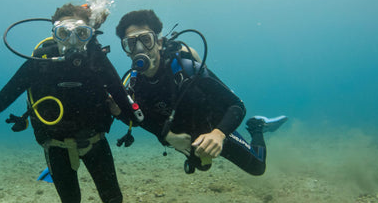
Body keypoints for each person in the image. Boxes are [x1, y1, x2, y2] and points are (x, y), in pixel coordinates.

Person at [0, 0, 138, 203]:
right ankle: (55, 168)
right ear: (54, 35)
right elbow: (1, 100)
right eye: (64, 33)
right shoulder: (40, 63)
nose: (72, 42)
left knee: (114, 201)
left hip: (95, 140)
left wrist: (150, 126)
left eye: (81, 34)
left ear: (89, 35)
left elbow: (124, 102)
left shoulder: (97, 61)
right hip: (56, 144)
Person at [115, 9, 287, 175]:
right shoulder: (135, 85)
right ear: (126, 51)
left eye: (146, 39)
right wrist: (167, 135)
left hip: (213, 126)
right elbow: (140, 119)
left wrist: (218, 134)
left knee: (257, 168)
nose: (140, 48)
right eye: (131, 43)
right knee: (202, 165)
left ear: (158, 42)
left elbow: (236, 105)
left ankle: (256, 126)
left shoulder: (187, 70)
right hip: (185, 134)